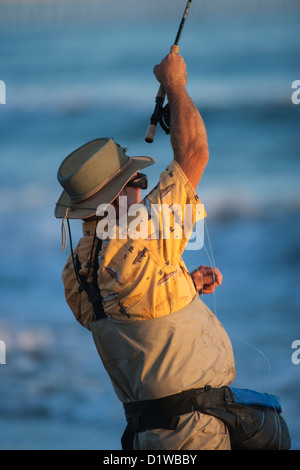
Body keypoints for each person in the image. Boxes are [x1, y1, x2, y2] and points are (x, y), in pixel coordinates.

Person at [55, 51, 236, 450]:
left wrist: (180, 284)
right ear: (117, 194)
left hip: (146, 436)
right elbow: (195, 154)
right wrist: (175, 84)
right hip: (192, 435)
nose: (143, 186)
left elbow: (130, 316)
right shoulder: (140, 234)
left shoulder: (75, 271)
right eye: (137, 177)